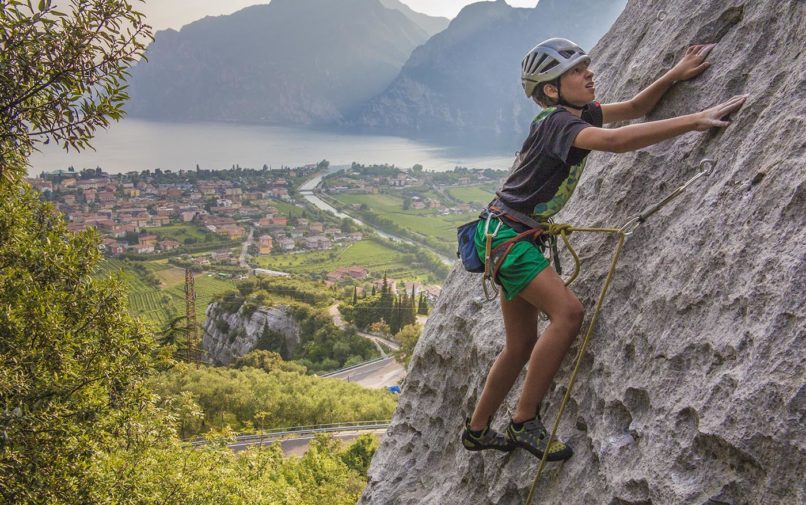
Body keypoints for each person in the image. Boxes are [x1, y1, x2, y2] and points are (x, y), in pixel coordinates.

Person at [461, 38, 747, 460]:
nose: (589, 73)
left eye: (585, 66)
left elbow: (633, 109)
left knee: (520, 344)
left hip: (503, 236)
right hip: (509, 239)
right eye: (577, 71)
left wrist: (673, 74)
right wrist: (696, 120)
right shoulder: (560, 123)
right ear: (553, 90)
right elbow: (616, 142)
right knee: (569, 313)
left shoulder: (574, 114)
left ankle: (477, 430)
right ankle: (524, 421)